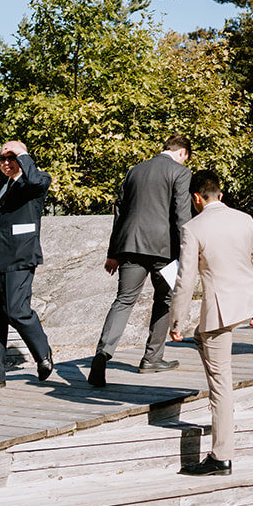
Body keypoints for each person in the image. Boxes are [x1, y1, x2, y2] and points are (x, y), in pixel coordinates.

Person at [168, 170, 253, 475]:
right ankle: (221, 450)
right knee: (203, 340)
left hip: (219, 311)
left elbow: (185, 281)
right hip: (247, 301)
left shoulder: (192, 228)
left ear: (196, 198)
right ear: (220, 195)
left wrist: (177, 321)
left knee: (220, 384)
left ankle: (221, 455)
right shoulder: (245, 219)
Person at [89, 135, 193, 388]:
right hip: (164, 250)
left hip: (130, 246)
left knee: (124, 300)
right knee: (166, 299)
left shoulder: (135, 170)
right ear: (183, 153)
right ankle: (152, 358)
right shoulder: (180, 172)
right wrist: (188, 251)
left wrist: (113, 252)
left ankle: (102, 355)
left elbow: (119, 210)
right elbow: (181, 214)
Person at [0, 141, 54, 390]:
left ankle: (42, 353)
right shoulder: (2, 186)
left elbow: (33, 180)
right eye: (3, 159)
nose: (6, 163)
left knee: (17, 311)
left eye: (12, 158)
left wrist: (22, 154)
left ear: (23, 158)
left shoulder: (36, 181)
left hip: (20, 257)